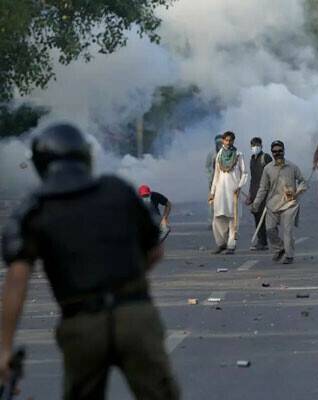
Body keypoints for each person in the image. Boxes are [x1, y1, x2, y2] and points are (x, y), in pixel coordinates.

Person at [0, 124, 179, 399]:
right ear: (86, 156)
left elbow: (17, 279)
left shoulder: (33, 209)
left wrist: (4, 349)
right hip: (135, 315)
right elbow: (155, 251)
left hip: (82, 325)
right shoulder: (118, 190)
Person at [251, 140, 308, 264]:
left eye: (280, 151)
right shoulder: (267, 169)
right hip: (272, 204)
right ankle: (279, 248)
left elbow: (303, 182)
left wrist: (297, 192)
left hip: (289, 204)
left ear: (284, 151)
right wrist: (256, 204)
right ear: (272, 153)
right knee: (270, 230)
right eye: (275, 152)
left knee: (287, 231)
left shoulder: (292, 167)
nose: (277, 153)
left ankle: (289, 255)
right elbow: (263, 188)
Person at [208, 131, 248, 255]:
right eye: (226, 140)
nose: (228, 142)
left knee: (233, 219)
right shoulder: (219, 154)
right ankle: (221, 244)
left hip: (233, 191)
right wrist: (212, 191)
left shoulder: (239, 154)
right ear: (223, 141)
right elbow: (216, 174)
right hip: (220, 191)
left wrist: (240, 186)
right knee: (217, 218)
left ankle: (231, 245)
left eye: (230, 140)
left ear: (233, 141)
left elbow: (245, 172)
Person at [246, 137, 273, 251]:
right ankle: (262, 241)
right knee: (257, 217)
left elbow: (273, 173)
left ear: (261, 145)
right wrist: (250, 195)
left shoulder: (265, 157)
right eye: (253, 145)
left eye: (257, 145)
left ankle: (264, 241)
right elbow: (253, 178)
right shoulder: (252, 159)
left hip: (265, 192)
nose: (255, 147)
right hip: (255, 193)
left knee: (264, 217)